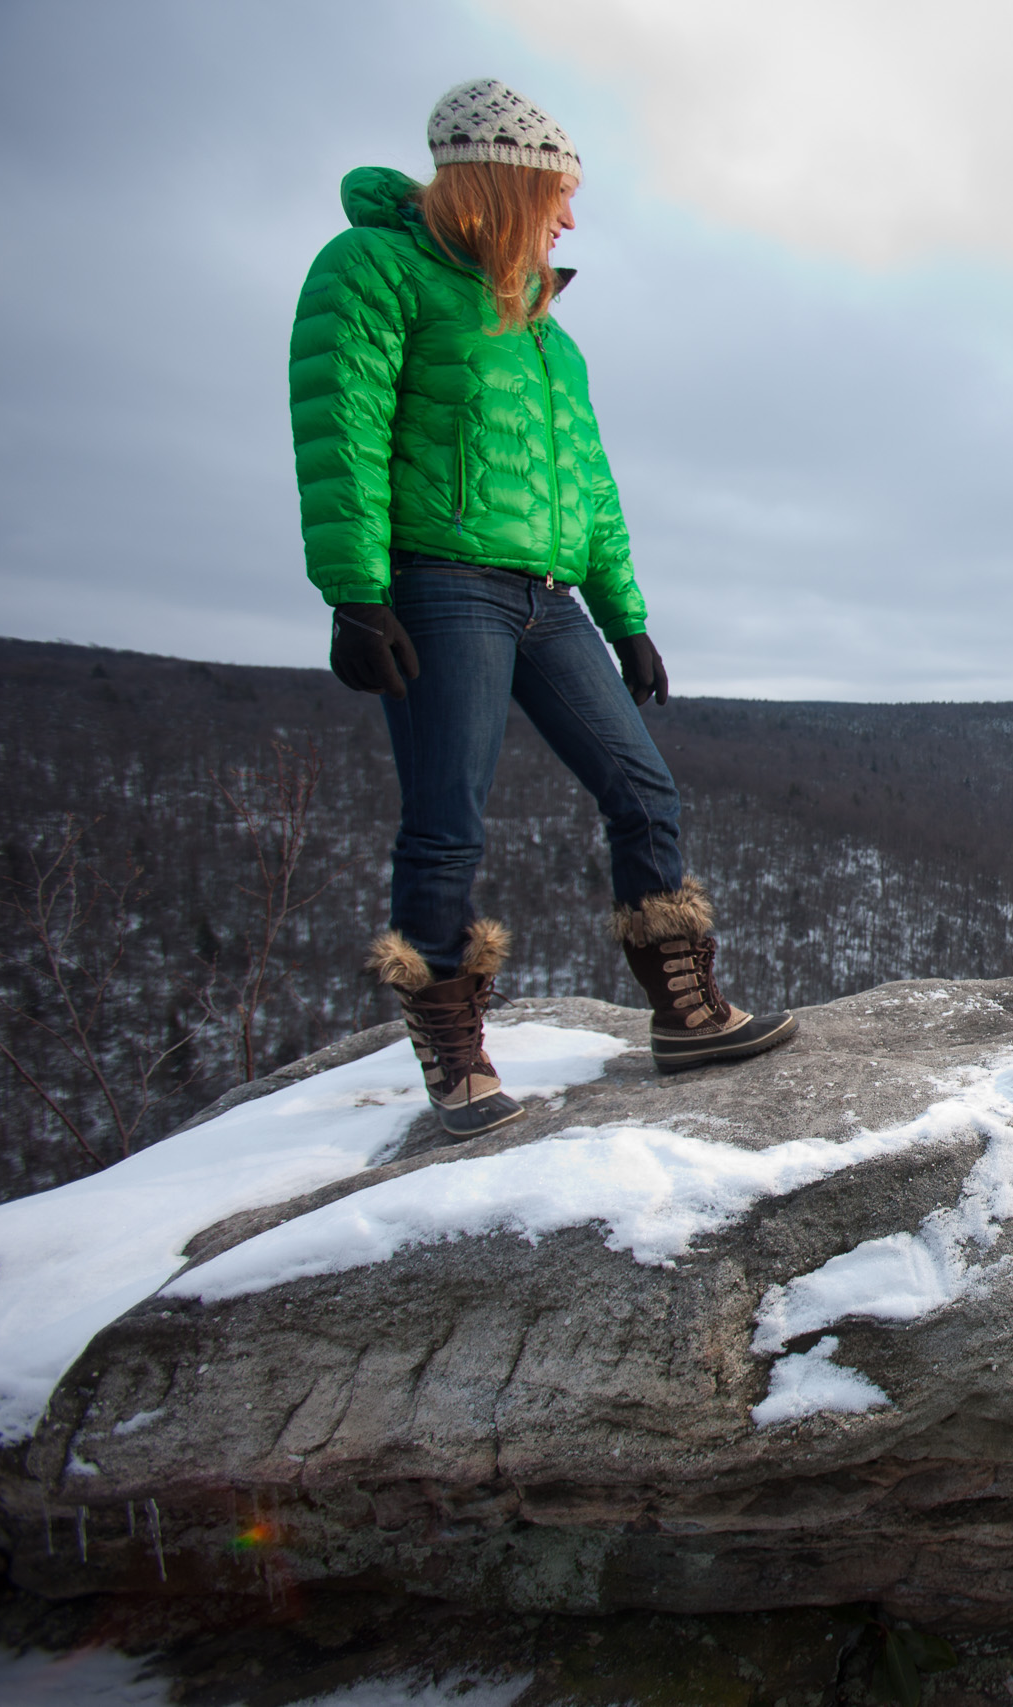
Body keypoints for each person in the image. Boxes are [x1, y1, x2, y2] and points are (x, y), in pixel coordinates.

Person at [291, 79, 795, 1139]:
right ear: (507, 184)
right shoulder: (374, 270)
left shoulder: (543, 328)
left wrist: (626, 615)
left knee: (643, 789)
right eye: (559, 193)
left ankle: (687, 1015)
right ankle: (454, 1053)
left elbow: (590, 487)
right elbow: (342, 431)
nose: (569, 217)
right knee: (448, 822)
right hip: (438, 586)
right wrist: (355, 594)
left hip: (550, 597)